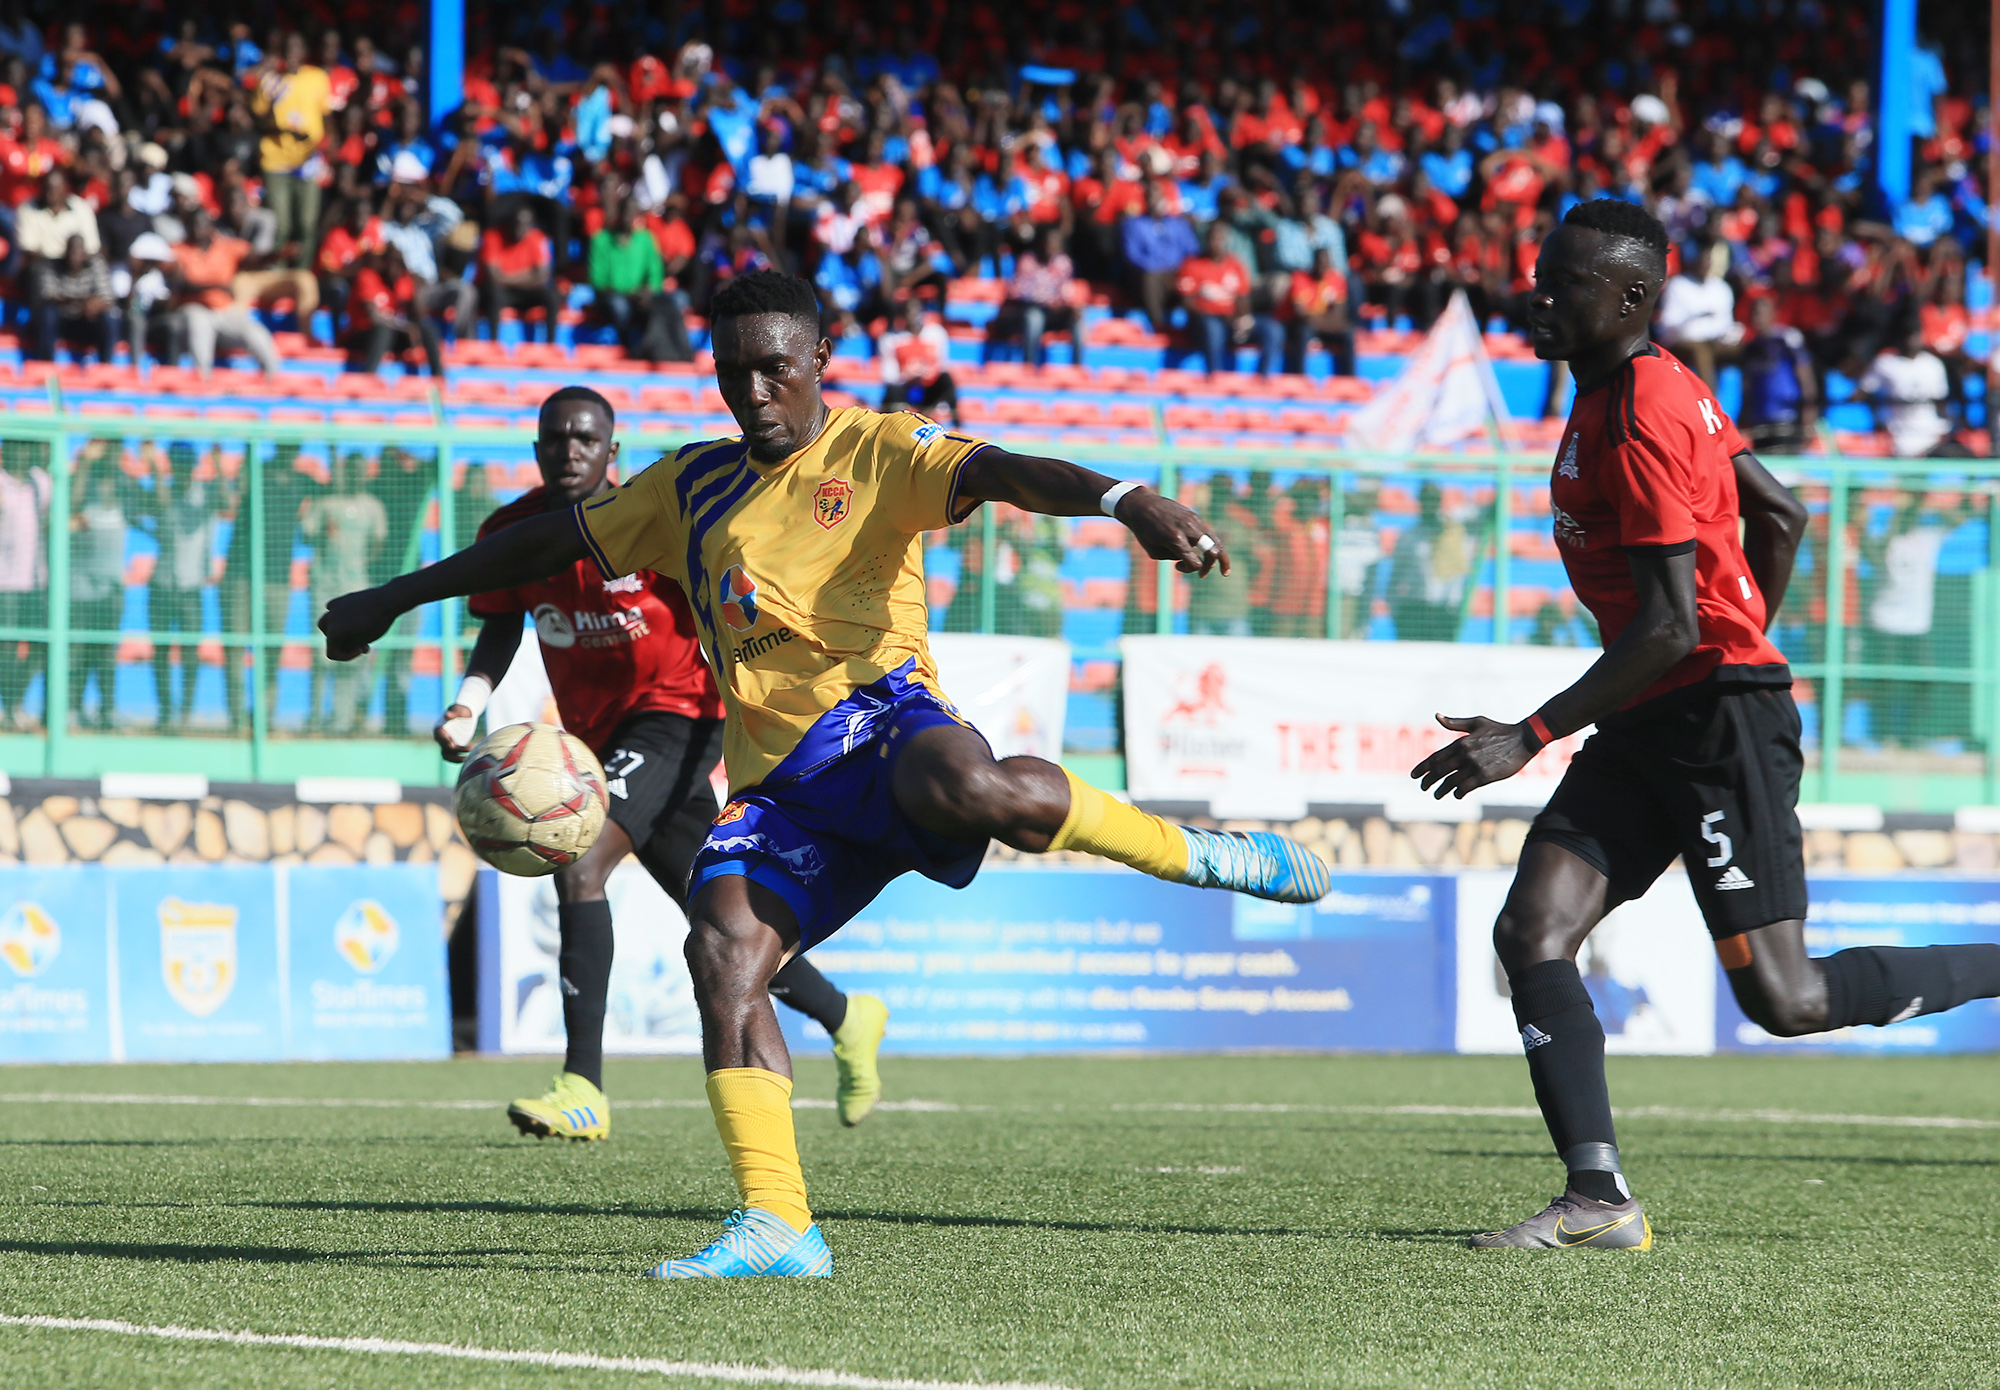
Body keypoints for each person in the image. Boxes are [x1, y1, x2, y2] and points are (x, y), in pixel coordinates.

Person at [319, 269, 1330, 1279]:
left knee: (972, 789)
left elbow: (1004, 472)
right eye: (733, 373)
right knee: (722, 949)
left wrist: (1124, 499)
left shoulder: (879, 447)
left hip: (883, 719)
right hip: (780, 789)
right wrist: (391, 598)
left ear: (819, 359)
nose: (754, 392)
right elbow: (549, 541)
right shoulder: (686, 486)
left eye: (774, 368)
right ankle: (778, 1224)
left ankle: (1202, 854)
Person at [1410, 200, 2000, 1251]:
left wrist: (1530, 734)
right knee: (1532, 931)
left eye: (1564, 284)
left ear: (1632, 298)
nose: (1537, 298)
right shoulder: (1646, 385)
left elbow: (1671, 624)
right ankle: (1596, 1198)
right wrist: (1733, 632)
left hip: (1715, 723)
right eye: (1538, 277)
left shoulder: (1640, 413)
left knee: (1787, 998)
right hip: (1656, 708)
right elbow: (1780, 513)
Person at [436, 385, 892, 1139]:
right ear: (538, 449)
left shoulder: (649, 524)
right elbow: (500, 625)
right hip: (599, 739)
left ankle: (582, 1086)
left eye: (586, 439)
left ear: (611, 452)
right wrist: (466, 703)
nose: (571, 451)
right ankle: (847, 1016)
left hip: (680, 718)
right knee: (717, 910)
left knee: (578, 859)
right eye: (556, 439)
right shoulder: (514, 533)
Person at [303, 452, 387, 733]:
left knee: (350, 654)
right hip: (324, 585)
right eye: (351, 469)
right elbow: (307, 535)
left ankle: (343, 719)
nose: (355, 475)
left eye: (361, 470)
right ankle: (316, 716)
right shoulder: (326, 503)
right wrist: (323, 531)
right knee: (320, 653)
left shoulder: (372, 507)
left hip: (355, 586)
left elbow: (377, 545)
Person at [146, 443, 217, 730]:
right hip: (162, 583)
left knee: (190, 653)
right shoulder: (164, 492)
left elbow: (226, 503)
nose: (183, 469)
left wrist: (219, 465)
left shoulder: (206, 493)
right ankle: (165, 712)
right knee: (160, 652)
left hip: (192, 586)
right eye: (178, 463)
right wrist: (154, 469)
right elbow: (160, 504)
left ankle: (185, 713)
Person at [250, 31, 333, 267]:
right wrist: (283, 130)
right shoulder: (269, 80)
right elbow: (256, 119)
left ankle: (301, 273)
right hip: (275, 161)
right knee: (281, 225)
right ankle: (277, 273)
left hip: (308, 160)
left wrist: (327, 145)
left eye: (296, 49)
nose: (291, 54)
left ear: (304, 52)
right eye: (287, 49)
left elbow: (326, 115)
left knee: (307, 224)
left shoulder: (317, 77)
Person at [170, 208, 281, 378]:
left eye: (202, 225)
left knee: (258, 334)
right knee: (199, 325)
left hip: (225, 310)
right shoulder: (178, 249)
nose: (197, 229)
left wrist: (280, 254)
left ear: (211, 227)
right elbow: (182, 284)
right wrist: (217, 287)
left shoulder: (226, 246)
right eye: (193, 225)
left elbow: (256, 259)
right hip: (194, 307)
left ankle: (273, 380)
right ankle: (203, 380)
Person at [0, 440, 50, 730]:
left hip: (36, 581)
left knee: (40, 646)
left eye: (26, 447)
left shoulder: (40, 482)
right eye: (16, 447)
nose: (22, 453)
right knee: (5, 648)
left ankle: (15, 702)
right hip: (5, 582)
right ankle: (9, 710)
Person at [985, 227, 1086, 369]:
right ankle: (1029, 367)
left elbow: (1065, 294)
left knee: (1077, 317)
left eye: (1056, 243)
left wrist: (1067, 308)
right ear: (1041, 243)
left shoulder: (1063, 263)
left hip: (1051, 315)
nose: (1052, 246)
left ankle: (1078, 369)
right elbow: (1021, 294)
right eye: (1050, 242)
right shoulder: (1028, 260)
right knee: (1034, 317)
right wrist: (1051, 304)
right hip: (1022, 313)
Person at [1858, 325, 1958, 458]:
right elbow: (1864, 391)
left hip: (1929, 433)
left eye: (1915, 337)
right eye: (1908, 337)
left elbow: (1940, 400)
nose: (1911, 341)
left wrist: (1945, 428)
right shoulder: (1885, 362)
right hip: (1896, 433)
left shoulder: (1933, 364)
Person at [479, 203, 562, 343]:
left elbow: (543, 277)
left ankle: (551, 344)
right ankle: (494, 343)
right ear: (509, 222)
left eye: (525, 224)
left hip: (527, 292)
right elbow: (493, 277)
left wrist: (506, 277)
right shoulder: (493, 236)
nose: (520, 228)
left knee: (553, 295)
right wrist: (530, 274)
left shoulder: (537, 237)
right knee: (493, 293)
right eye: (517, 223)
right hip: (503, 293)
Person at [1176, 223, 1252, 375]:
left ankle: (1263, 381)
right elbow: (1187, 303)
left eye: (1220, 239)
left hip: (1230, 322)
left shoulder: (1235, 265)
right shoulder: (1193, 264)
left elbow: (1243, 298)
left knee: (1271, 330)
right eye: (1212, 239)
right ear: (1206, 240)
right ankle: (1214, 376)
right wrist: (1216, 313)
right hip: (1202, 323)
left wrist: (1241, 317)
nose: (1216, 243)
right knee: (1214, 328)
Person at [30, 233, 117, 362]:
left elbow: (108, 298)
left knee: (109, 318)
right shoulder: (51, 266)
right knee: (48, 313)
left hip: (87, 321)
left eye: (78, 251)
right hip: (61, 320)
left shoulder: (96, 265)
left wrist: (94, 305)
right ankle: (47, 361)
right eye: (71, 251)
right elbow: (47, 294)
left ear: (85, 253)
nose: (74, 256)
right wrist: (80, 301)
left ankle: (106, 364)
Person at [877, 302, 956, 423]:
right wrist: (908, 376)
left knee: (946, 380)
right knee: (892, 391)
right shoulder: (891, 338)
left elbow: (942, 364)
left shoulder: (936, 334)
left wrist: (927, 373)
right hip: (904, 386)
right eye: (908, 313)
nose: (913, 317)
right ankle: (894, 422)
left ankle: (955, 420)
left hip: (928, 386)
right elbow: (889, 375)